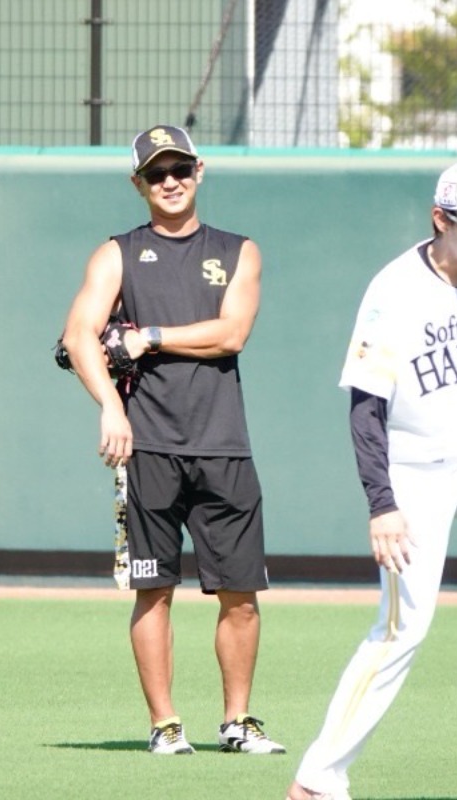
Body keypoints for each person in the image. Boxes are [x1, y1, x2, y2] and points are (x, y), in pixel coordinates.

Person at [286, 158, 457, 800]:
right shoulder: (395, 292)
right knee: (401, 631)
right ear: (440, 220)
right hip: (411, 472)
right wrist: (381, 505)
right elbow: (365, 406)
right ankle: (317, 781)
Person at [60, 124, 285, 756]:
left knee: (240, 594)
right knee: (152, 588)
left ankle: (237, 723)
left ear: (199, 171)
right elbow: (79, 336)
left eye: (180, 168)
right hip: (149, 447)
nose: (170, 182)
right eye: (156, 173)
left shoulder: (240, 251)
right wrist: (110, 406)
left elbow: (231, 334)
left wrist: (148, 335)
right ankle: (164, 726)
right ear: (138, 184)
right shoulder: (116, 254)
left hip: (225, 446)